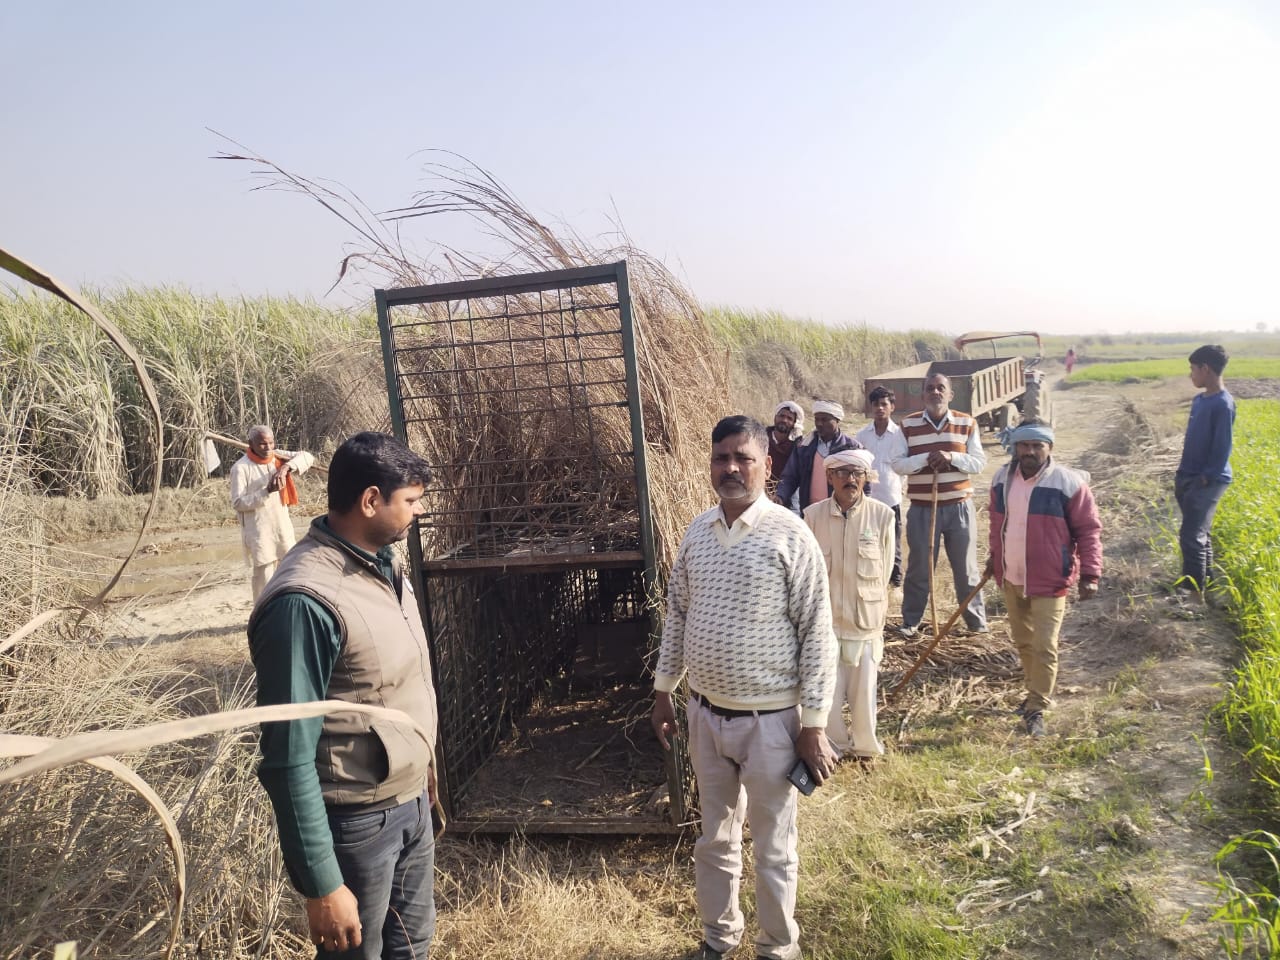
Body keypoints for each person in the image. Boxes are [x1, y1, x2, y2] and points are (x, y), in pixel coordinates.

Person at [651, 415, 837, 960]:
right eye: (720, 458)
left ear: (766, 465)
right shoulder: (697, 532)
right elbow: (678, 616)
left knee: (774, 848)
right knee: (714, 839)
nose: (730, 468)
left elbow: (816, 634)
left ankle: (778, 948)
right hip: (705, 716)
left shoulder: (790, 534)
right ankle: (718, 939)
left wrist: (815, 726)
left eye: (742, 458)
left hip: (772, 723)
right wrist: (665, 691)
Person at [248, 432, 439, 959]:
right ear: (370, 500)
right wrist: (323, 884)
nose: (418, 513)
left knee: (412, 946)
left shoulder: (379, 563)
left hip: (407, 806)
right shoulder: (305, 602)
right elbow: (287, 759)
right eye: (411, 501)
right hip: (355, 826)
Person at [986, 419, 1102, 737]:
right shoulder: (1001, 479)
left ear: (1049, 447)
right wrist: (994, 558)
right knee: (1024, 642)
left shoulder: (1067, 483)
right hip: (1012, 575)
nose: (1030, 452)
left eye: (1037, 445)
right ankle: (1032, 693)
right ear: (1015, 447)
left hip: (1050, 578)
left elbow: (1089, 531)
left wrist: (1090, 573)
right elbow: (997, 525)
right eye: (1024, 445)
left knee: (1045, 644)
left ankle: (1037, 706)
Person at [803, 449, 894, 762]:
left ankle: (866, 749)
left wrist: (878, 617)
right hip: (825, 624)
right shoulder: (812, 516)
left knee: (864, 692)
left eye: (856, 473)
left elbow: (884, 575)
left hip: (864, 621)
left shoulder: (883, 516)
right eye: (842, 473)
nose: (850, 479)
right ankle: (835, 747)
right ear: (829, 477)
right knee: (825, 693)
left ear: (866, 477)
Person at [889, 372, 988, 638]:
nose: (935, 393)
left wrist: (951, 457)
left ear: (950, 394)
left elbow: (978, 463)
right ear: (923, 395)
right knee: (920, 569)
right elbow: (897, 464)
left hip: (959, 507)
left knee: (966, 570)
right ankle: (911, 623)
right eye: (930, 388)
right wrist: (925, 459)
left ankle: (976, 624)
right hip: (923, 507)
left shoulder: (966, 423)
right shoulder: (907, 425)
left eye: (940, 388)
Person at [1174, 344, 1235, 595]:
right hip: (1188, 475)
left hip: (1207, 479)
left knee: (1190, 535)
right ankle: (1206, 583)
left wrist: (1205, 478)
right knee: (1200, 533)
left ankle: (1192, 592)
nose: (1191, 375)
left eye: (1192, 369)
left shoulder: (1223, 404)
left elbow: (1222, 447)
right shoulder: (1200, 400)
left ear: (1205, 368)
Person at [230, 425, 316, 600]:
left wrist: (285, 468)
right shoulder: (241, 468)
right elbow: (238, 503)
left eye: (271, 442)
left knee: (290, 567)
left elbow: (307, 457)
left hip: (281, 525)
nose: (268, 447)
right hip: (259, 529)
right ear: (251, 444)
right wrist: (267, 491)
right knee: (264, 575)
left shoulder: (277, 457)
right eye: (262, 444)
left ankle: (286, 607)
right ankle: (263, 613)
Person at [854, 386, 905, 587]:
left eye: (884, 404)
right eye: (876, 404)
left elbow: (904, 465)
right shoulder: (862, 435)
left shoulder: (900, 435)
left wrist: (901, 487)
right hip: (868, 500)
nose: (880, 408)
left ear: (892, 407)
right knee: (868, 540)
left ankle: (895, 582)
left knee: (893, 542)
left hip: (891, 498)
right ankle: (872, 579)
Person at [775, 399, 863, 515]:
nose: (820, 424)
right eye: (817, 419)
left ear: (837, 420)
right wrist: (780, 496)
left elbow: (863, 482)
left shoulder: (851, 447)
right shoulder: (804, 446)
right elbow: (790, 477)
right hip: (810, 513)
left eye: (825, 420)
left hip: (841, 513)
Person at [766, 400, 804, 503]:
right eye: (781, 416)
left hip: (787, 496)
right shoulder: (762, 437)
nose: (784, 420)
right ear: (775, 417)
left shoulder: (798, 445)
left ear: (794, 423)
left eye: (789, 418)